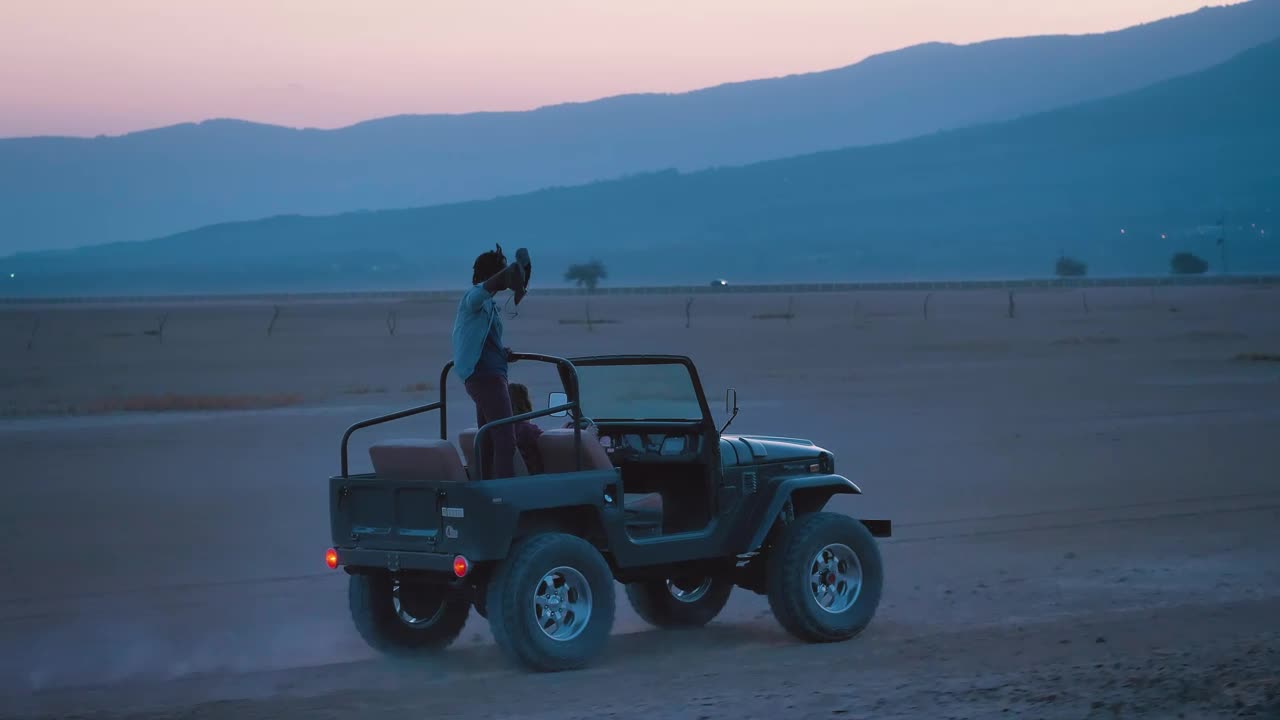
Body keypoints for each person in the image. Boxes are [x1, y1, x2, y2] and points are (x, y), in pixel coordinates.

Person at [451, 244, 532, 479]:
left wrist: (501, 352)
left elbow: (482, 339)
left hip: (489, 372)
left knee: (487, 439)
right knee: (506, 441)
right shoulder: (474, 297)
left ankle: (485, 486)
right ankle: (501, 494)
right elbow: (477, 295)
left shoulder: (489, 305)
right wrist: (506, 277)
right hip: (486, 377)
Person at [507, 382, 545, 475]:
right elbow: (548, 442)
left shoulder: (499, 429)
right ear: (525, 403)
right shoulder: (527, 430)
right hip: (535, 479)